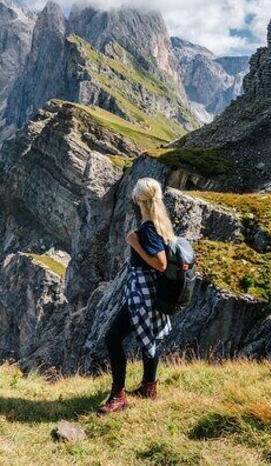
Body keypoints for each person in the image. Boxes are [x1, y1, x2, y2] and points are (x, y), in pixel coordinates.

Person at [98, 177, 175, 415]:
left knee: (112, 339)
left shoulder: (148, 229)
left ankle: (118, 396)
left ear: (137, 199)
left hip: (142, 297)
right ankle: (148, 387)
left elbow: (161, 264)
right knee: (149, 337)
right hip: (152, 294)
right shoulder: (160, 223)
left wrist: (135, 243)